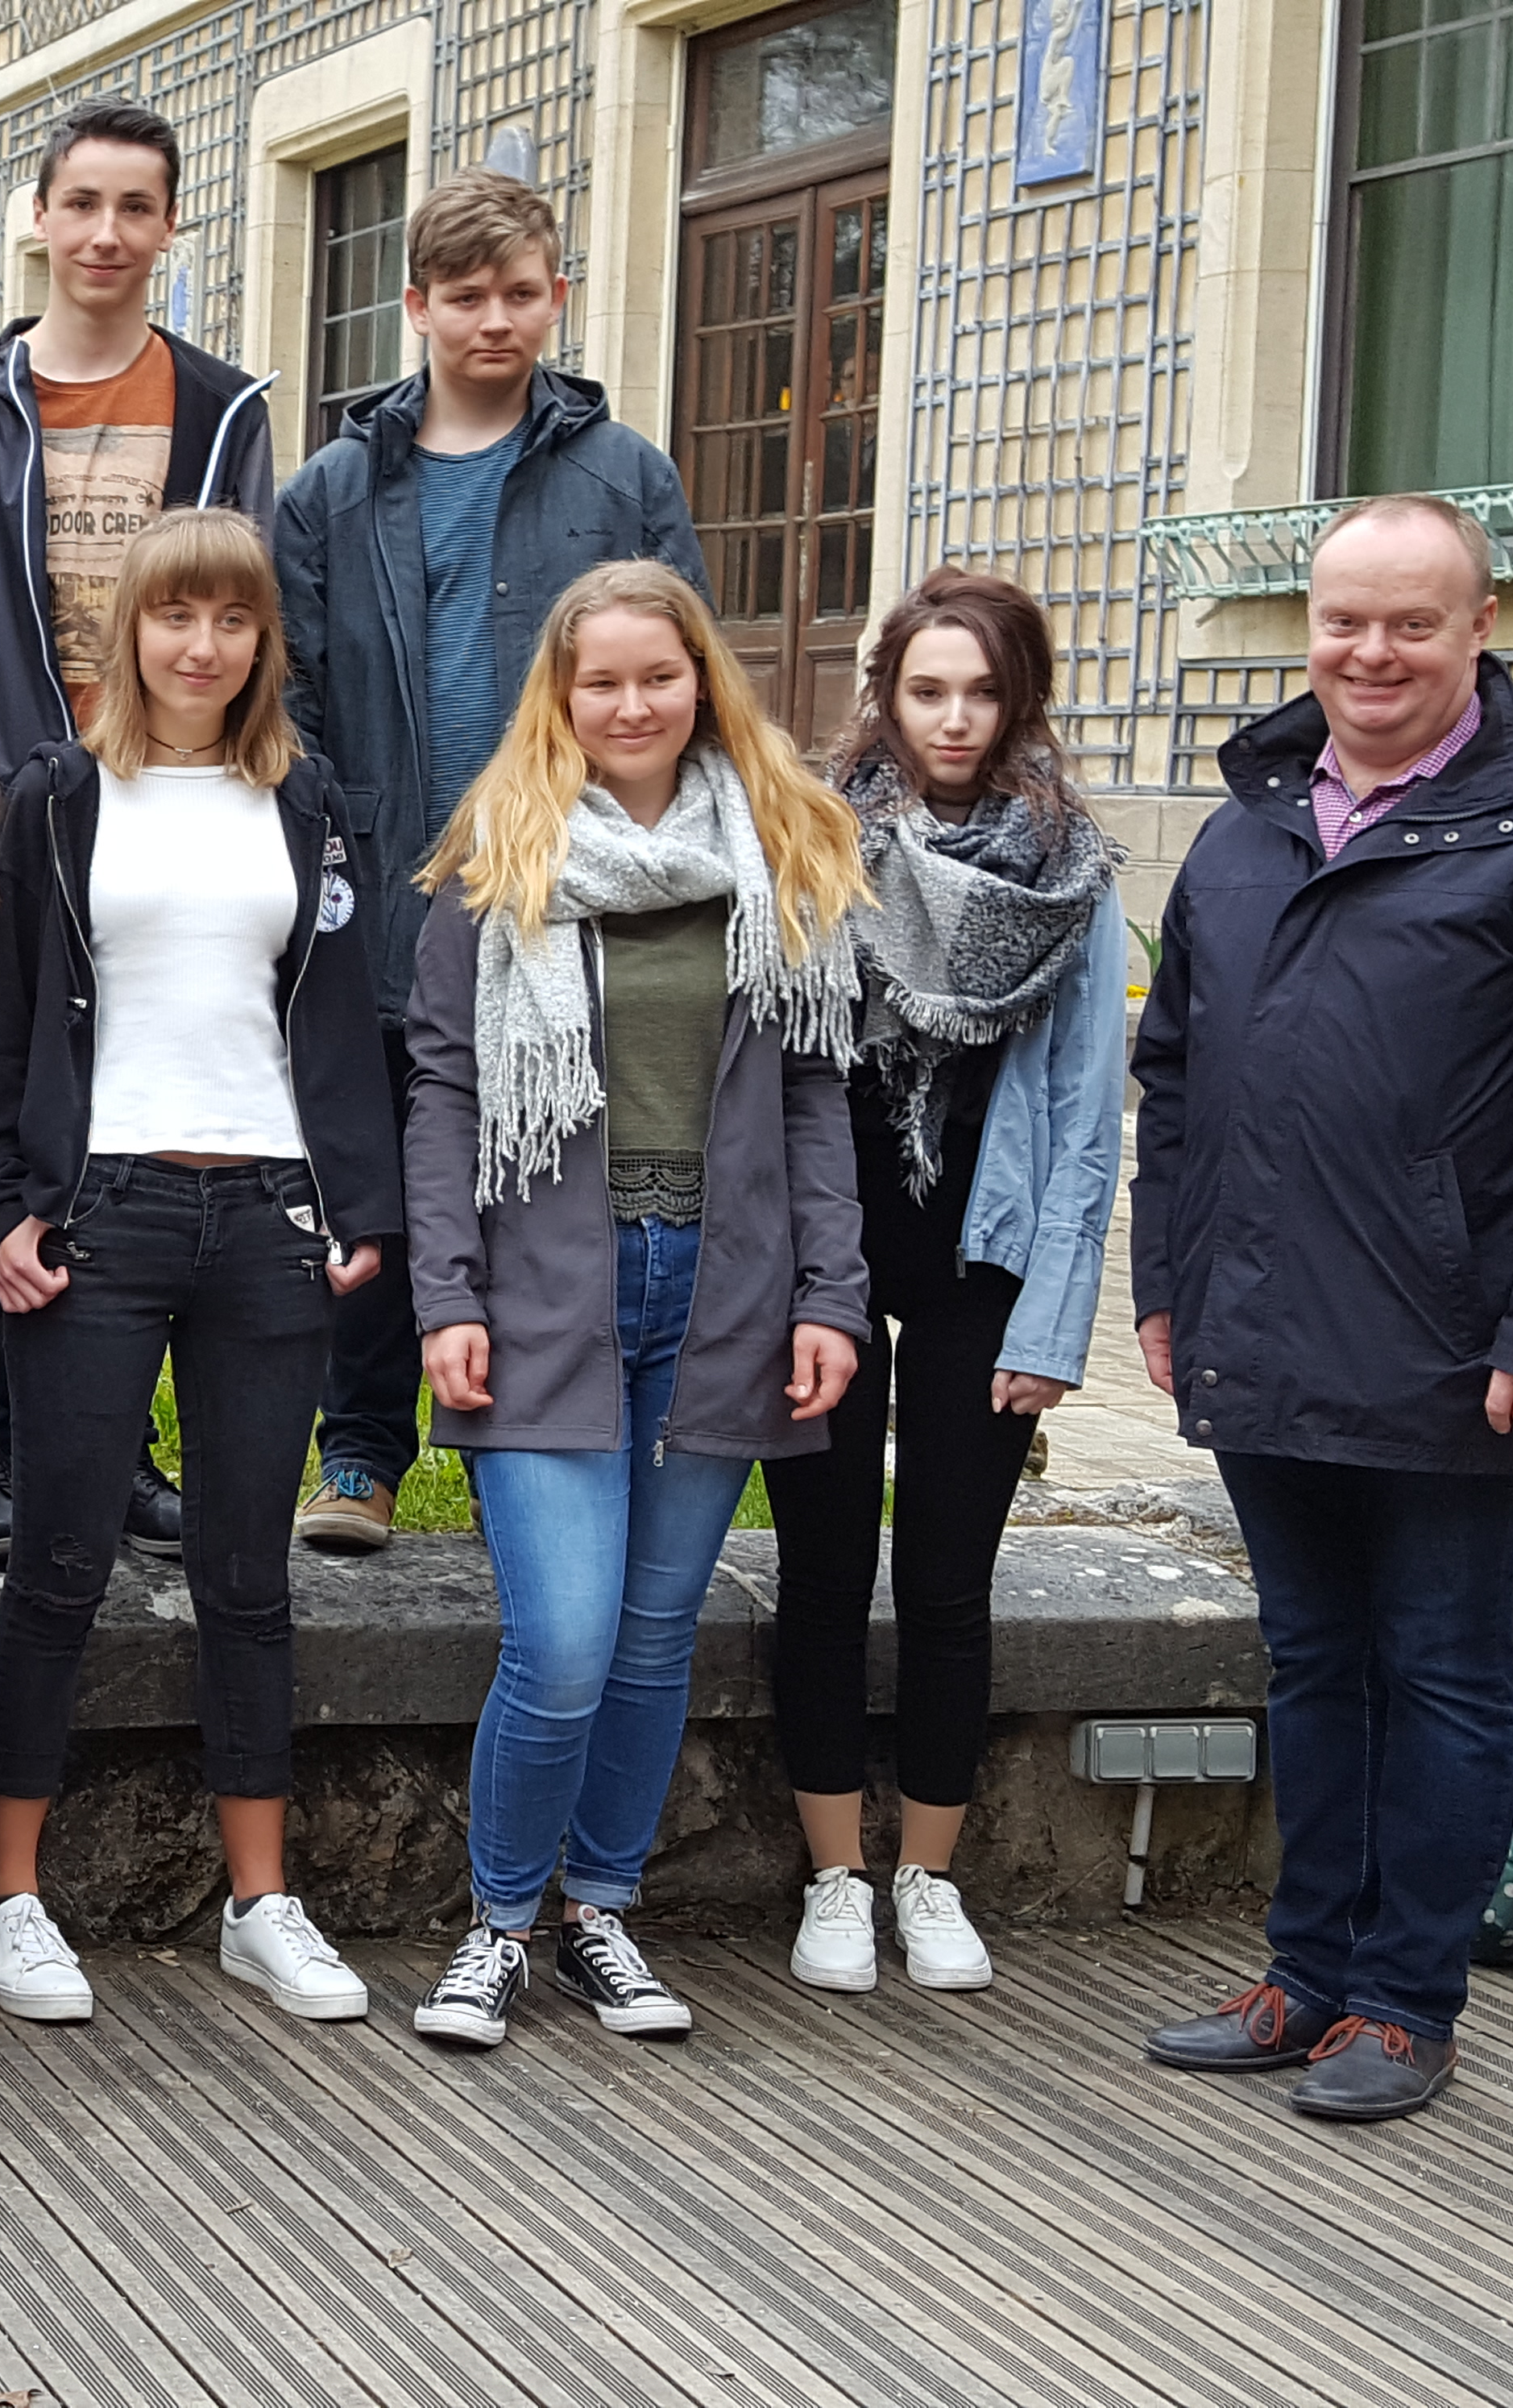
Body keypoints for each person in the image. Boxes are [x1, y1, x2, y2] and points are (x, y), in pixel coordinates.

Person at [1131, 495, 1513, 2123]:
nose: (1371, 652)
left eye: (1410, 623)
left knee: (1438, 1669)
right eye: (1344, 620)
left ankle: (1402, 1999)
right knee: (1310, 1662)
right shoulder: (1244, 828)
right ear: (1309, 625)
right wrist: (1164, 1285)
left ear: (1478, 628)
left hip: (1451, 1343)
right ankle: (1305, 1971)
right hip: (1253, 1322)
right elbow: (1175, 1082)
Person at [398, 559, 869, 2053]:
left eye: (657, 675)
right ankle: (496, 1925)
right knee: (562, 1644)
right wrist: (444, 1293)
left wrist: (832, 1293)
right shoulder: (499, 856)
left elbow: (814, 1094)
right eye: (598, 679)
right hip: (548, 1292)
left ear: (700, 682)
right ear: (559, 694)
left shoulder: (782, 849)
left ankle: (600, 1911)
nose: (630, 704)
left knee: (657, 1637)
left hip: (721, 1290)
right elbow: (442, 1092)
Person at [0, 511, 404, 2026]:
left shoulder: (305, 800)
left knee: (247, 1575)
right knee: (58, 1565)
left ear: (263, 640)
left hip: (269, 1216)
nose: (201, 647)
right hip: (104, 1214)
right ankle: (9, 1898)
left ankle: (262, 1904)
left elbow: (342, 1017)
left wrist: (360, 1207)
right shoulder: (58, 799)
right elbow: (0, 1023)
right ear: (128, 631)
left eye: (231, 620)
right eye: (174, 617)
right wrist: (2, 1209)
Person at [274, 167, 711, 1559]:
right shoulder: (334, 490)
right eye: (465, 296)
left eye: (521, 292)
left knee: (549, 1168)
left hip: (576, 889)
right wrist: (332, 858)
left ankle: (538, 1440)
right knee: (382, 1172)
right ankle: (359, 1451)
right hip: (390, 880)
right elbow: (292, 703)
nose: (495, 320)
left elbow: (684, 674)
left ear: (557, 296)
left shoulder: (623, 475)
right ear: (415, 307)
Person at [0, 98, 274, 1565]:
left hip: (166, 800)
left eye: (135, 207)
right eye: (82, 204)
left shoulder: (224, 407)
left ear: (170, 225)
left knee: (136, 1117)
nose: (106, 233)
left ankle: (120, 1448)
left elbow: (252, 607)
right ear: (36, 218)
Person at [758, 568, 1125, 1999]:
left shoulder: (1070, 869)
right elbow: (774, 1063)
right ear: (886, 695)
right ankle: (833, 1878)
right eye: (928, 691)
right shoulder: (814, 840)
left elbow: (1086, 1116)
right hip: (830, 1251)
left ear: (1021, 698)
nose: (955, 719)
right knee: (822, 1569)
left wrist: (1054, 1319)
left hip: (987, 1248)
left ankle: (926, 1873)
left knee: (948, 1579)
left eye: (982, 691)